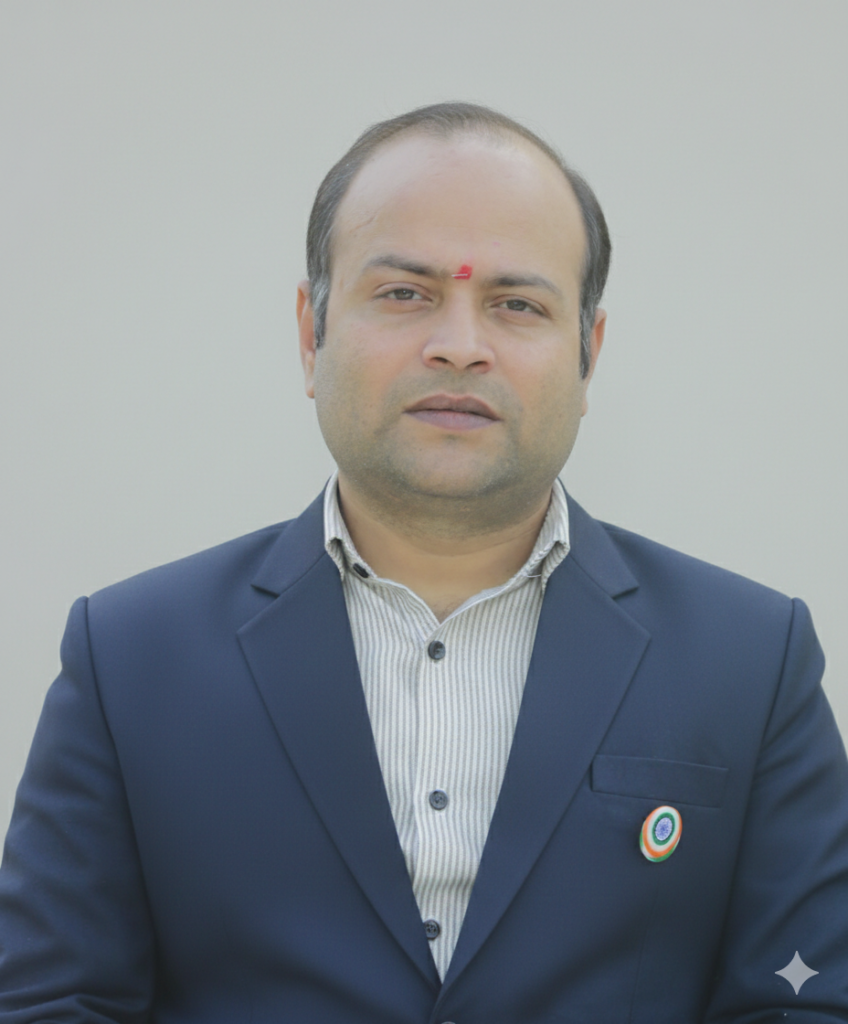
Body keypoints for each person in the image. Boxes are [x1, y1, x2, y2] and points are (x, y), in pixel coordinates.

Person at [0, 102, 846, 1024]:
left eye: (516, 305)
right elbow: (48, 1001)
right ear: (311, 334)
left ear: (588, 355)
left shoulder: (749, 662)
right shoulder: (130, 659)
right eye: (405, 294)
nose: (460, 346)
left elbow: (806, 1005)